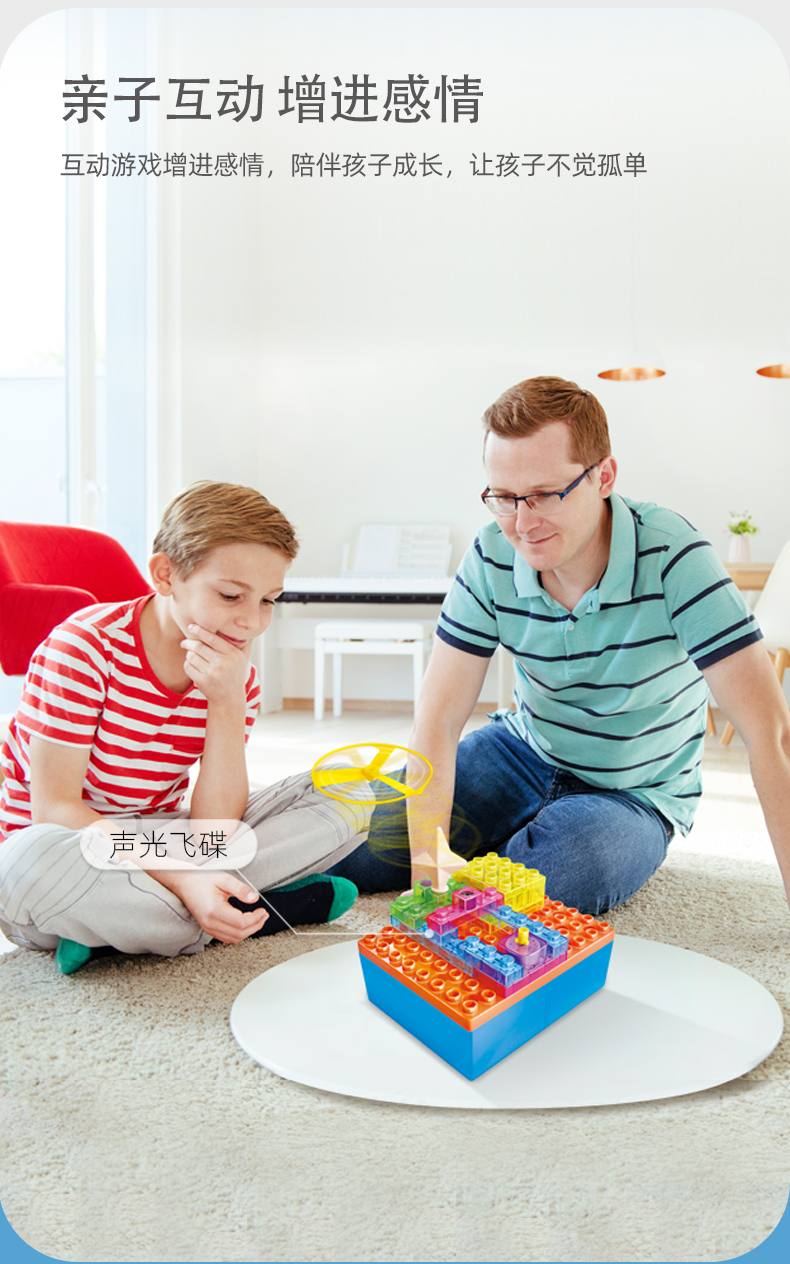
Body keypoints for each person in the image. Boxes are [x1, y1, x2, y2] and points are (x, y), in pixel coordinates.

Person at [330, 376, 790, 915]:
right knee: (371, 838)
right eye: (505, 498)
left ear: (604, 477)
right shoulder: (491, 554)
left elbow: (770, 734)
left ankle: (505, 856)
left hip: (632, 793)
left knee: (565, 871)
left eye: (546, 494)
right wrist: (429, 862)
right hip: (521, 752)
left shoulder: (675, 556)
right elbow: (437, 720)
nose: (523, 524)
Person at [0, 482, 369, 972]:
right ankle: (243, 909)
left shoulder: (236, 678)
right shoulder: (83, 649)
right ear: (166, 574)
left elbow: (214, 830)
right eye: (231, 595)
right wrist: (180, 875)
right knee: (23, 861)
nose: (251, 622)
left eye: (268, 600)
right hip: (74, 849)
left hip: (167, 838)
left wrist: (227, 702)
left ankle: (136, 928)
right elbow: (54, 811)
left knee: (350, 789)